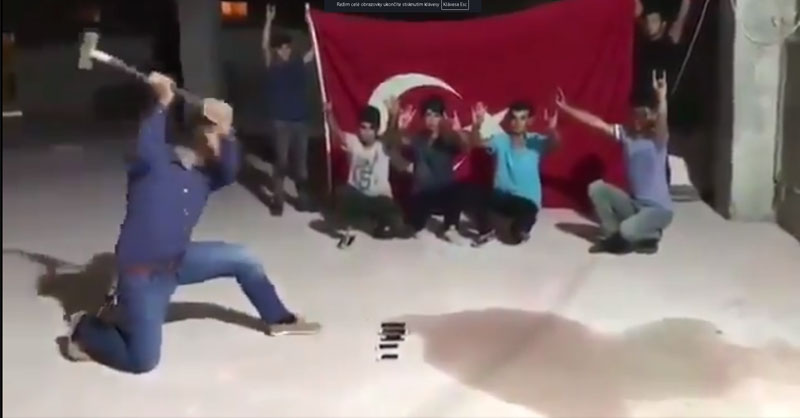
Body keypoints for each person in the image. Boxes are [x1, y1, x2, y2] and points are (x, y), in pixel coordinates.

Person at [63, 73, 321, 374]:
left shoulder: (206, 178)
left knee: (243, 258)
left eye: (221, 136)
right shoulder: (154, 162)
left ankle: (278, 319)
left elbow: (230, 169)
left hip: (177, 263)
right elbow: (146, 142)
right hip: (141, 277)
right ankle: (85, 328)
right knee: (143, 361)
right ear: (197, 133)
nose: (219, 141)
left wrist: (227, 128)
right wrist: (162, 101)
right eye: (214, 132)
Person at [557, 71, 674, 254]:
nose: (637, 119)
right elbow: (595, 123)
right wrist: (566, 108)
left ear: (651, 115)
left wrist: (661, 99)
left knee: (627, 229)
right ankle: (620, 234)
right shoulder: (626, 135)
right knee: (597, 188)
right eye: (634, 114)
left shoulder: (657, 139)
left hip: (659, 210)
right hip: (636, 206)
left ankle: (640, 236)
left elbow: (662, 121)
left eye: (643, 115)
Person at [469, 100, 561, 247]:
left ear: (530, 121)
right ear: (509, 120)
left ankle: (521, 229)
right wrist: (477, 124)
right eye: (514, 118)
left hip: (526, 202)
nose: (517, 122)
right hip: (502, 197)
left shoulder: (535, 141)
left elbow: (555, 144)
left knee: (516, 234)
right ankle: (487, 231)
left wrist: (551, 129)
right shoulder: (500, 139)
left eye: (522, 118)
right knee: (474, 193)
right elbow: (476, 143)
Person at [323, 98, 408, 249]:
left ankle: (377, 221)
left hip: (379, 198)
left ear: (376, 130)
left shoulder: (382, 145)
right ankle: (352, 221)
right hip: (358, 195)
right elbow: (336, 132)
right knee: (340, 194)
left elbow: (391, 135)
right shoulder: (353, 142)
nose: (366, 132)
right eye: (363, 127)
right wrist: (329, 113)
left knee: (396, 225)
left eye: (370, 128)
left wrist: (393, 116)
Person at [391, 95, 470, 244]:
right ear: (423, 118)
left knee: (457, 190)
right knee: (410, 230)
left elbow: (465, 147)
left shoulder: (448, 139)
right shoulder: (418, 139)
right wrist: (398, 125)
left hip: (443, 194)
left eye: (436, 115)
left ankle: (450, 228)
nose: (432, 120)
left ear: (442, 117)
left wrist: (458, 131)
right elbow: (396, 143)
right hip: (422, 194)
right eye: (428, 115)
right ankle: (416, 223)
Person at [262, 4, 316, 216]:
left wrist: (311, 23)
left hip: (300, 121)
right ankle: (278, 200)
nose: (285, 50)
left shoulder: (298, 63)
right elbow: (264, 46)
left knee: (301, 164)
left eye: (287, 47)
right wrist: (269, 20)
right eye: (281, 48)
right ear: (276, 50)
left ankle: (303, 199)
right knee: (281, 163)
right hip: (281, 122)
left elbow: (314, 50)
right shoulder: (272, 66)